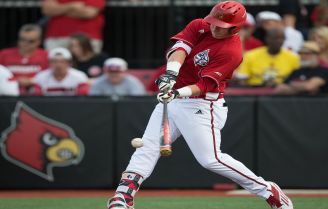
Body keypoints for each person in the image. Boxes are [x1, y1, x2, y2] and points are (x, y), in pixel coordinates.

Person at [107, 2, 293, 209]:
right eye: (213, 22)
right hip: (173, 99)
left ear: (235, 28)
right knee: (148, 147)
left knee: (210, 159)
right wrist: (171, 75)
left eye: (221, 26)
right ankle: (123, 196)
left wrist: (177, 91)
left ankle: (268, 190)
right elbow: (179, 48)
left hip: (202, 105)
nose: (214, 27)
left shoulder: (232, 51)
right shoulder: (200, 25)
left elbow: (204, 85)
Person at [235, 28, 300, 87]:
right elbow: (242, 79)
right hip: (255, 91)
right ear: (267, 39)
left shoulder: (293, 57)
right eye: (275, 38)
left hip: (282, 93)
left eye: (282, 38)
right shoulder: (251, 55)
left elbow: (296, 79)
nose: (279, 41)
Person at [0, 24, 48, 95]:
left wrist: (32, 81)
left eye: (31, 41)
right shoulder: (4, 54)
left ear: (39, 41)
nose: (25, 43)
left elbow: (51, 76)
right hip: (9, 92)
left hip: (38, 94)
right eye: (22, 40)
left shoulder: (46, 55)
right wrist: (15, 81)